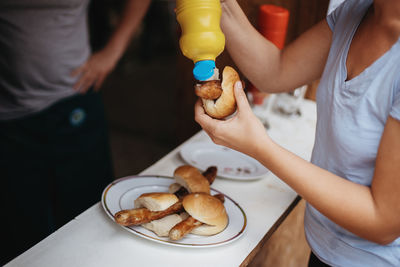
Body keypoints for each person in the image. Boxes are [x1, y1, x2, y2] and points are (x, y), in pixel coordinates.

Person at [195, 0, 400, 266]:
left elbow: (383, 222)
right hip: (323, 250)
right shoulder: (357, 11)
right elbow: (276, 70)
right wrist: (221, 5)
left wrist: (260, 147)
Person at [0, 0, 151, 264]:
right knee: (21, 235)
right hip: (9, 117)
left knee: (89, 223)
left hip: (73, 100)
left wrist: (114, 50)